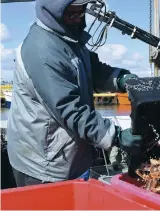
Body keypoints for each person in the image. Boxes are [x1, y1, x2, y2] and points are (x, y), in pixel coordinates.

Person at [7, 0, 143, 187]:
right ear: (53, 12)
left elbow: (93, 70)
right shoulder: (43, 51)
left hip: (70, 158)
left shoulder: (69, 38)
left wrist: (120, 79)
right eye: (72, 14)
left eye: (81, 13)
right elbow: (70, 109)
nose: (78, 19)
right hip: (43, 165)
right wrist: (116, 136)